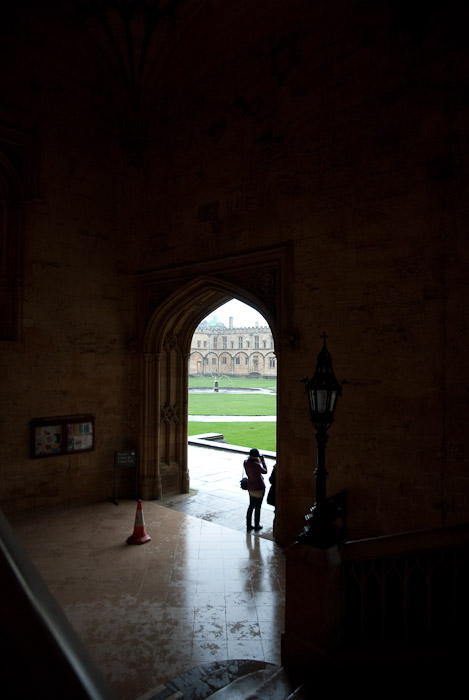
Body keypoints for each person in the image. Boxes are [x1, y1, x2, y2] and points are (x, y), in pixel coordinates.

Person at [244, 448, 267, 532]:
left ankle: (248, 524)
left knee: (251, 505)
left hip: (250, 486)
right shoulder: (257, 465)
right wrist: (263, 461)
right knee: (258, 507)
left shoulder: (245, 462)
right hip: (259, 487)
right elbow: (265, 471)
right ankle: (257, 525)